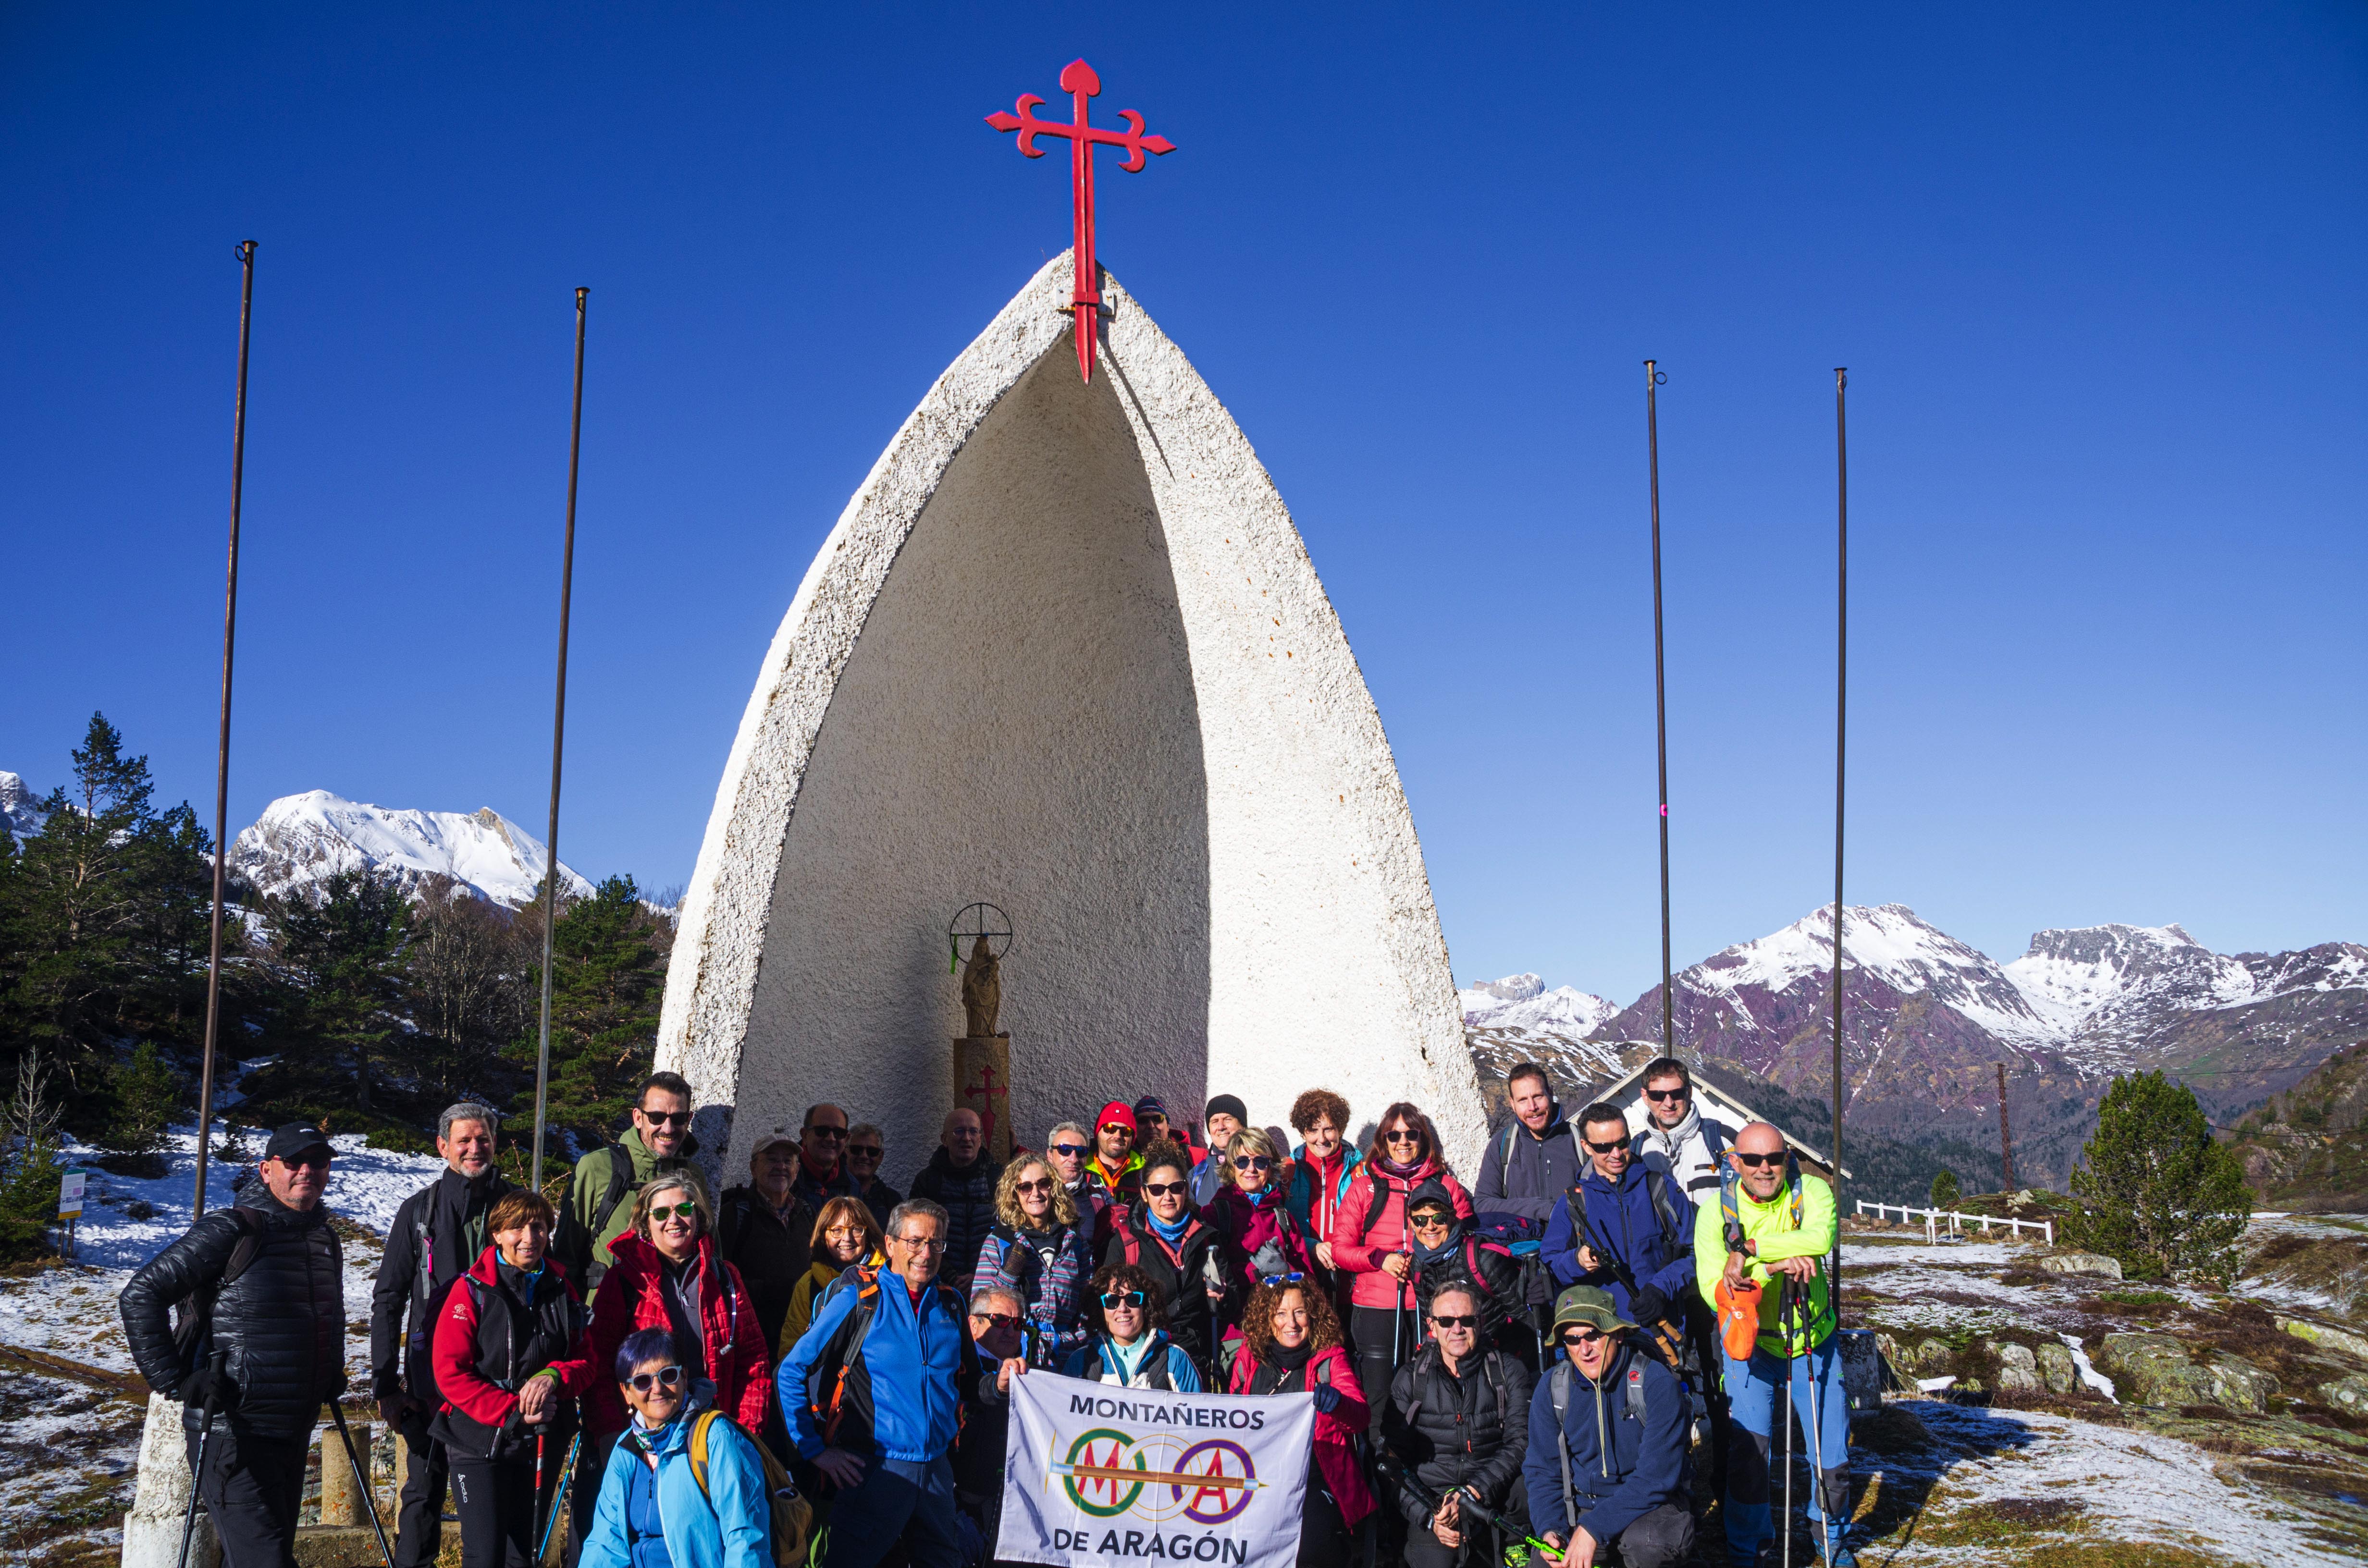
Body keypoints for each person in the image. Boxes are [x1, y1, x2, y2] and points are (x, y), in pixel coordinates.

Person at [119, 1124, 347, 1568]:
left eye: (318, 1162)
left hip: (292, 1431)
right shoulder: (233, 1228)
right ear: (266, 1170)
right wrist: (177, 1381)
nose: (306, 1171)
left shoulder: (323, 1237)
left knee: (259, 1555)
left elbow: (326, 1314)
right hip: (233, 1434)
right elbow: (141, 1294)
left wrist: (329, 1370)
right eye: (293, 1161)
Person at [580, 1172, 771, 1557]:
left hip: (711, 1441)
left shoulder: (725, 1277)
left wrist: (743, 1433)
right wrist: (611, 1435)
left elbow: (754, 1361)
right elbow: (599, 1368)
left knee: (722, 1543)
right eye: (661, 1212)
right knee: (649, 1542)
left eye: (684, 1208)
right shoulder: (623, 1282)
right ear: (645, 1223)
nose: (674, 1219)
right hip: (645, 1440)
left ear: (699, 1216)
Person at [778, 1198, 976, 1568]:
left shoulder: (951, 1305)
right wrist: (813, 1450)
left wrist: (1000, 1384)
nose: (926, 1253)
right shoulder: (860, 1299)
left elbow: (971, 1386)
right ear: (890, 1244)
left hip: (936, 1475)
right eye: (915, 1242)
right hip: (873, 1473)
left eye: (935, 1243)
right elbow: (791, 1371)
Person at [1691, 1122, 1850, 1568]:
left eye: (1774, 1158)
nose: (1765, 1168)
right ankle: (1748, 1551)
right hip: (1750, 1348)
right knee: (1749, 1455)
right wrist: (1772, 1268)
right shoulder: (1714, 1214)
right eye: (1753, 1159)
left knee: (1832, 1456)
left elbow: (1820, 1238)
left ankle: (1832, 1543)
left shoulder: (1813, 1192)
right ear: (1735, 1162)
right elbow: (1714, 1291)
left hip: (1814, 1342)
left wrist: (1749, 1250)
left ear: (1787, 1159)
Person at [370, 1102, 514, 1568]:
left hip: (499, 1381)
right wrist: (385, 1386)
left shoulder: (515, 1207)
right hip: (430, 1383)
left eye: (483, 1138)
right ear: (442, 1146)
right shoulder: (419, 1212)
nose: (475, 1148)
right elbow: (388, 1298)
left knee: (500, 1497)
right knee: (422, 1492)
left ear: (495, 1143)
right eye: (463, 1140)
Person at [429, 1191, 592, 1568]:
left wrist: (554, 1376)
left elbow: (586, 1361)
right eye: (517, 1227)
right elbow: (450, 1374)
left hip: (542, 1438)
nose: (529, 1237)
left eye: (539, 1227)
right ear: (497, 1234)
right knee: (484, 1554)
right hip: (477, 1439)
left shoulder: (561, 1289)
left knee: (524, 1555)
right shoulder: (471, 1290)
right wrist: (515, 1411)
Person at [1524, 1286, 1694, 1568]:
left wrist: (1593, 1529)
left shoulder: (1654, 1382)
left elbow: (1656, 1478)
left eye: (1593, 1335)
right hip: (1581, 1511)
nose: (1584, 1349)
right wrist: (1550, 1528)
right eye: (1572, 1339)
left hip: (1648, 1508)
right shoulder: (1553, 1387)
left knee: (1648, 1545)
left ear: (1617, 1333)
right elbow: (1542, 1469)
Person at [579, 1327, 774, 1568]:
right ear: (626, 1392)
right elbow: (605, 1543)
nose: (657, 1388)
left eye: (668, 1375)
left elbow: (746, 1539)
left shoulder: (717, 1438)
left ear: (684, 1377)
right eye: (642, 1381)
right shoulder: (625, 1450)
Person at [1382, 1285, 1532, 1568]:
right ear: (1432, 1326)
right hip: (1435, 1501)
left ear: (1481, 1322)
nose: (1457, 1329)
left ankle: (1515, 1542)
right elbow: (1391, 1462)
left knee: (1526, 1483)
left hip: (1493, 1492)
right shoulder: (1410, 1379)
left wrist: (1472, 1492)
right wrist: (1429, 1517)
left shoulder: (1509, 1371)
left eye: (1467, 1320)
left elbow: (1521, 1442)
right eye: (1446, 1321)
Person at [1331, 1102, 1472, 1405]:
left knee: (1434, 1396)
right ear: (1383, 1141)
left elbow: (1467, 1243)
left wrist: (1429, 1260)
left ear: (1423, 1138)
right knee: (1380, 1399)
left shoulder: (1446, 1187)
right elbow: (1341, 1250)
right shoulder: (1364, 1188)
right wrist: (1380, 1259)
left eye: (1411, 1134)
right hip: (1376, 1310)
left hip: (1433, 1307)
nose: (1403, 1142)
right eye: (1394, 1136)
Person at [1229, 1277, 1373, 1568]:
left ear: (1313, 1315)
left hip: (1316, 1479)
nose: (1291, 1323)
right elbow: (1232, 1418)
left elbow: (1360, 1418)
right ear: (1267, 1318)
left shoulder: (1329, 1358)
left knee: (1309, 1546)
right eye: (1281, 1314)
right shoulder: (1249, 1357)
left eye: (1300, 1312)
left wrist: (1338, 1404)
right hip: (1259, 1478)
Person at [1544, 1103, 1696, 1335]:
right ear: (1586, 1146)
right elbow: (1550, 1266)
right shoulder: (1572, 1203)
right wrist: (1576, 1261)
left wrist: (1661, 1288)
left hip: (1663, 1331)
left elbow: (1696, 1251)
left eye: (1623, 1143)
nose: (1616, 1154)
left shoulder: (1661, 1188)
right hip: (1601, 1340)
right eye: (1604, 1147)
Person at [558, 1071, 709, 1294]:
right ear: (638, 1118)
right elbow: (565, 1256)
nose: (668, 1128)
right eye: (657, 1117)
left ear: (689, 1119)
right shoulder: (598, 1167)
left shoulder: (693, 1176)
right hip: (608, 1310)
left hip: (675, 1310)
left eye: (678, 1119)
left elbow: (710, 1252)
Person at [1101, 1142, 1226, 1377]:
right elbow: (1108, 1306)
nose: (1167, 1197)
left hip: (1196, 1359)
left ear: (1186, 1190)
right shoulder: (1126, 1243)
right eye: (1157, 1190)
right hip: (1144, 1360)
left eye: (1175, 1188)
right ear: (1144, 1194)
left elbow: (1229, 1305)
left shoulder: (1207, 1237)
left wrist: (1223, 1295)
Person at [972, 1154, 1096, 1366]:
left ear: (1054, 1188)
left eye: (1043, 1184)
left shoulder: (1076, 1243)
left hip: (1066, 1360)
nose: (1036, 1193)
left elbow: (1089, 1309)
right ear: (1014, 1194)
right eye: (1026, 1187)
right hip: (1016, 1359)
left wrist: (1070, 1343)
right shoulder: (999, 1242)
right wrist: (1009, 1275)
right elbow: (979, 1309)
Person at [715, 1128, 815, 1356]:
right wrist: (773, 1290)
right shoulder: (734, 1215)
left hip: (800, 1337)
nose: (781, 1167)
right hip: (751, 1339)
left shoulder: (807, 1213)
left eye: (788, 1161)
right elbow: (721, 1279)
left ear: (797, 1170)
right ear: (753, 1168)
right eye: (771, 1160)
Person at [1403, 1182, 1527, 1362]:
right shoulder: (1418, 1264)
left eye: (1439, 1218)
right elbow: (1431, 1322)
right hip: (1452, 1356)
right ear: (1412, 1224)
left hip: (1495, 1355)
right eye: (1420, 1220)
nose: (1430, 1227)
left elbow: (1522, 1317)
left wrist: (1503, 1363)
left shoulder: (1483, 1258)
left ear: (1452, 1218)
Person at [1211, 1127, 1313, 1335]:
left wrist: (1285, 1271)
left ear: (1270, 1167)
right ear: (1231, 1167)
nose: (1251, 1169)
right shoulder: (1216, 1214)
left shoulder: (1282, 1216)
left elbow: (1309, 1281)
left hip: (1284, 1330)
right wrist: (1256, 1271)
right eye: (1242, 1161)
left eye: (1260, 1162)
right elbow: (1212, 1279)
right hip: (1237, 1332)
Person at [956, 1286, 1029, 1556]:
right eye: (1000, 1321)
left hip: (1008, 1508)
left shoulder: (1031, 1373)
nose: (1010, 1330)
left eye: (1018, 1323)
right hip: (952, 1501)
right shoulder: (952, 1364)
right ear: (973, 1324)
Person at [1061, 1263, 1204, 1389]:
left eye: (1133, 1299)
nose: (1123, 1308)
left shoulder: (1176, 1360)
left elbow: (1194, 1410)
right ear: (1100, 1308)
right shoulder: (1080, 1362)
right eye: (1112, 1301)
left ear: (1147, 1306)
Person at [1472, 1064, 1581, 1225]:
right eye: (1523, 1100)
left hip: (1575, 1240)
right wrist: (1542, 1210)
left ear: (1550, 1093)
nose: (1532, 1107)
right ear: (1512, 1104)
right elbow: (1482, 1204)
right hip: (1523, 1240)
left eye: (1538, 1096)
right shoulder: (1502, 1145)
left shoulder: (1579, 1140)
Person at [777, 1196, 885, 1357]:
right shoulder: (809, 1284)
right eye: (837, 1230)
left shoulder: (887, 1279)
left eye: (856, 1229)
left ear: (868, 1233)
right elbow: (791, 1350)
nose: (847, 1238)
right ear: (823, 1235)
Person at [909, 1108, 1003, 1290]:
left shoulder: (999, 1178)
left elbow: (1011, 1232)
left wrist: (981, 1274)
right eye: (959, 1131)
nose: (967, 1138)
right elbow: (916, 1237)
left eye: (973, 1131)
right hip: (938, 1284)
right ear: (944, 1139)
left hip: (990, 1282)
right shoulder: (928, 1181)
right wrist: (951, 1277)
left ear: (980, 1139)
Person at [1284, 1089, 1362, 1294]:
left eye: (1328, 1129)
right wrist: (1311, 1247)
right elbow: (1279, 1229)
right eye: (1313, 1130)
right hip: (1302, 1284)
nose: (1321, 1139)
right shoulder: (1287, 1172)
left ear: (1340, 1130)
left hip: (1351, 1285)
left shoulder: (1360, 1172)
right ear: (1303, 1133)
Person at [1629, 1057, 1735, 1202]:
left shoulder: (1724, 1141)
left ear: (1689, 1092)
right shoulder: (1636, 1152)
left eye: (1677, 1094)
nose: (1669, 1103)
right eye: (1658, 1095)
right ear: (1645, 1097)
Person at [1043, 1120, 1107, 1234]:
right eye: (1065, 1150)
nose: (1074, 1159)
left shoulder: (1102, 1198)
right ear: (1050, 1155)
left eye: (1081, 1151)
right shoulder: (1034, 1195)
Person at [793, 1103, 859, 1213]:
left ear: (846, 1139)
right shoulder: (785, 1178)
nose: (831, 1139)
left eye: (839, 1133)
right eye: (822, 1131)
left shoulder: (852, 1187)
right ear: (805, 1135)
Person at [1189, 1094, 1249, 1206]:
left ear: (1243, 1125)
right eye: (1215, 1121)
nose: (1221, 1127)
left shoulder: (1260, 1168)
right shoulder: (1195, 1176)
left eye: (1228, 1119)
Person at [1084, 1102, 1144, 1208]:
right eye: (1110, 1128)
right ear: (1097, 1132)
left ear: (1132, 1138)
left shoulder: (1145, 1171)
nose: (1117, 1136)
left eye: (1126, 1131)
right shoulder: (1080, 1168)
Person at [845, 1123, 900, 1228]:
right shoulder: (833, 1192)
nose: (864, 1156)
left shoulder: (892, 1201)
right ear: (845, 1151)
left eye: (872, 1152)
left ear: (881, 1157)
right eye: (857, 1150)